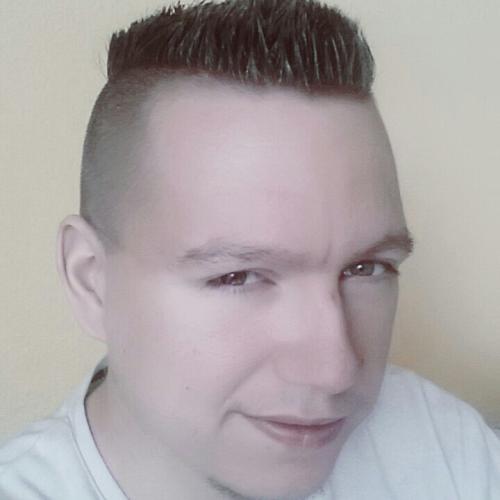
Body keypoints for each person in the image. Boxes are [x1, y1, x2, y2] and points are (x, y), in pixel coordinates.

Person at [1, 0, 499, 498]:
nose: (334, 372)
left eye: (367, 267)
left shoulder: (444, 444)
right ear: (91, 281)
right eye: (237, 276)